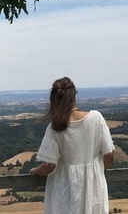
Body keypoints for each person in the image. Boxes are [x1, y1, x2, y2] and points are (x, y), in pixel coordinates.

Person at [30, 77, 115, 214]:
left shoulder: (55, 127)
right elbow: (109, 155)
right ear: (74, 95)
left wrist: (34, 171)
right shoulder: (96, 118)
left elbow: (49, 166)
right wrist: (96, 171)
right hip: (94, 190)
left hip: (66, 189)